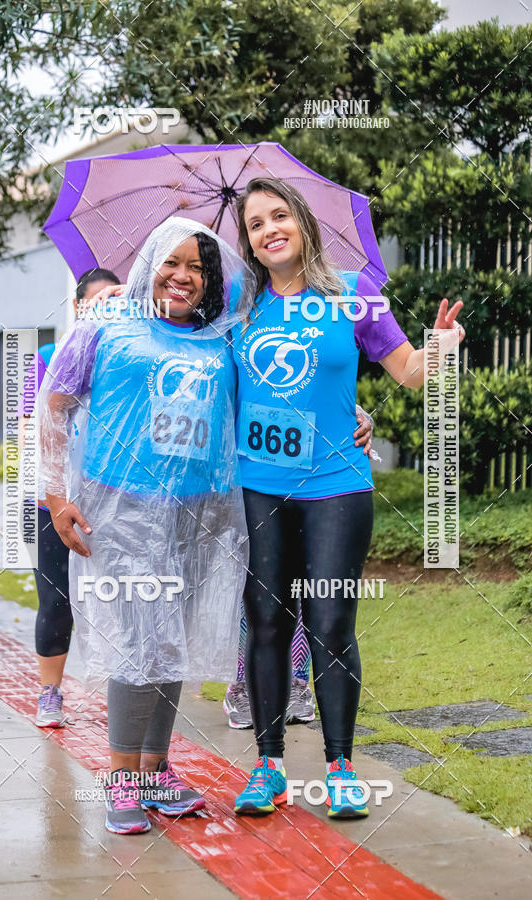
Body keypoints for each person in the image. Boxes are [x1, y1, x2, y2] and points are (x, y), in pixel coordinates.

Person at [231, 177, 465, 818]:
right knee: (269, 623)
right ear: (247, 242)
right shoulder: (236, 300)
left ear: (302, 221)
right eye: (255, 224)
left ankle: (339, 769)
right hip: (260, 487)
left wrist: (441, 349)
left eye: (279, 215)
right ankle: (268, 766)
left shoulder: (354, 295)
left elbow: (412, 372)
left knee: (332, 623)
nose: (269, 229)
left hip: (337, 484)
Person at [38, 218, 256, 834]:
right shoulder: (105, 327)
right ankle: (122, 779)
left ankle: (155, 770)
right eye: (172, 261)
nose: (183, 276)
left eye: (198, 268)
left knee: (169, 647)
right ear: (148, 264)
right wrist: (56, 499)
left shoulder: (222, 342)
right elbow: (53, 409)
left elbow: (273, 397)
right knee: (133, 645)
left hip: (199, 514)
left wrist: (355, 412)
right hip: (121, 513)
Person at [20, 268, 120, 727]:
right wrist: (49, 493)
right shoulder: (46, 355)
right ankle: (50, 692)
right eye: (96, 302)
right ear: (79, 306)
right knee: (55, 598)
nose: (105, 309)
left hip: (111, 501)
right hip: (53, 501)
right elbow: (30, 424)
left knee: (123, 601)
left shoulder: (127, 358)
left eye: (114, 301)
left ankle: (124, 704)